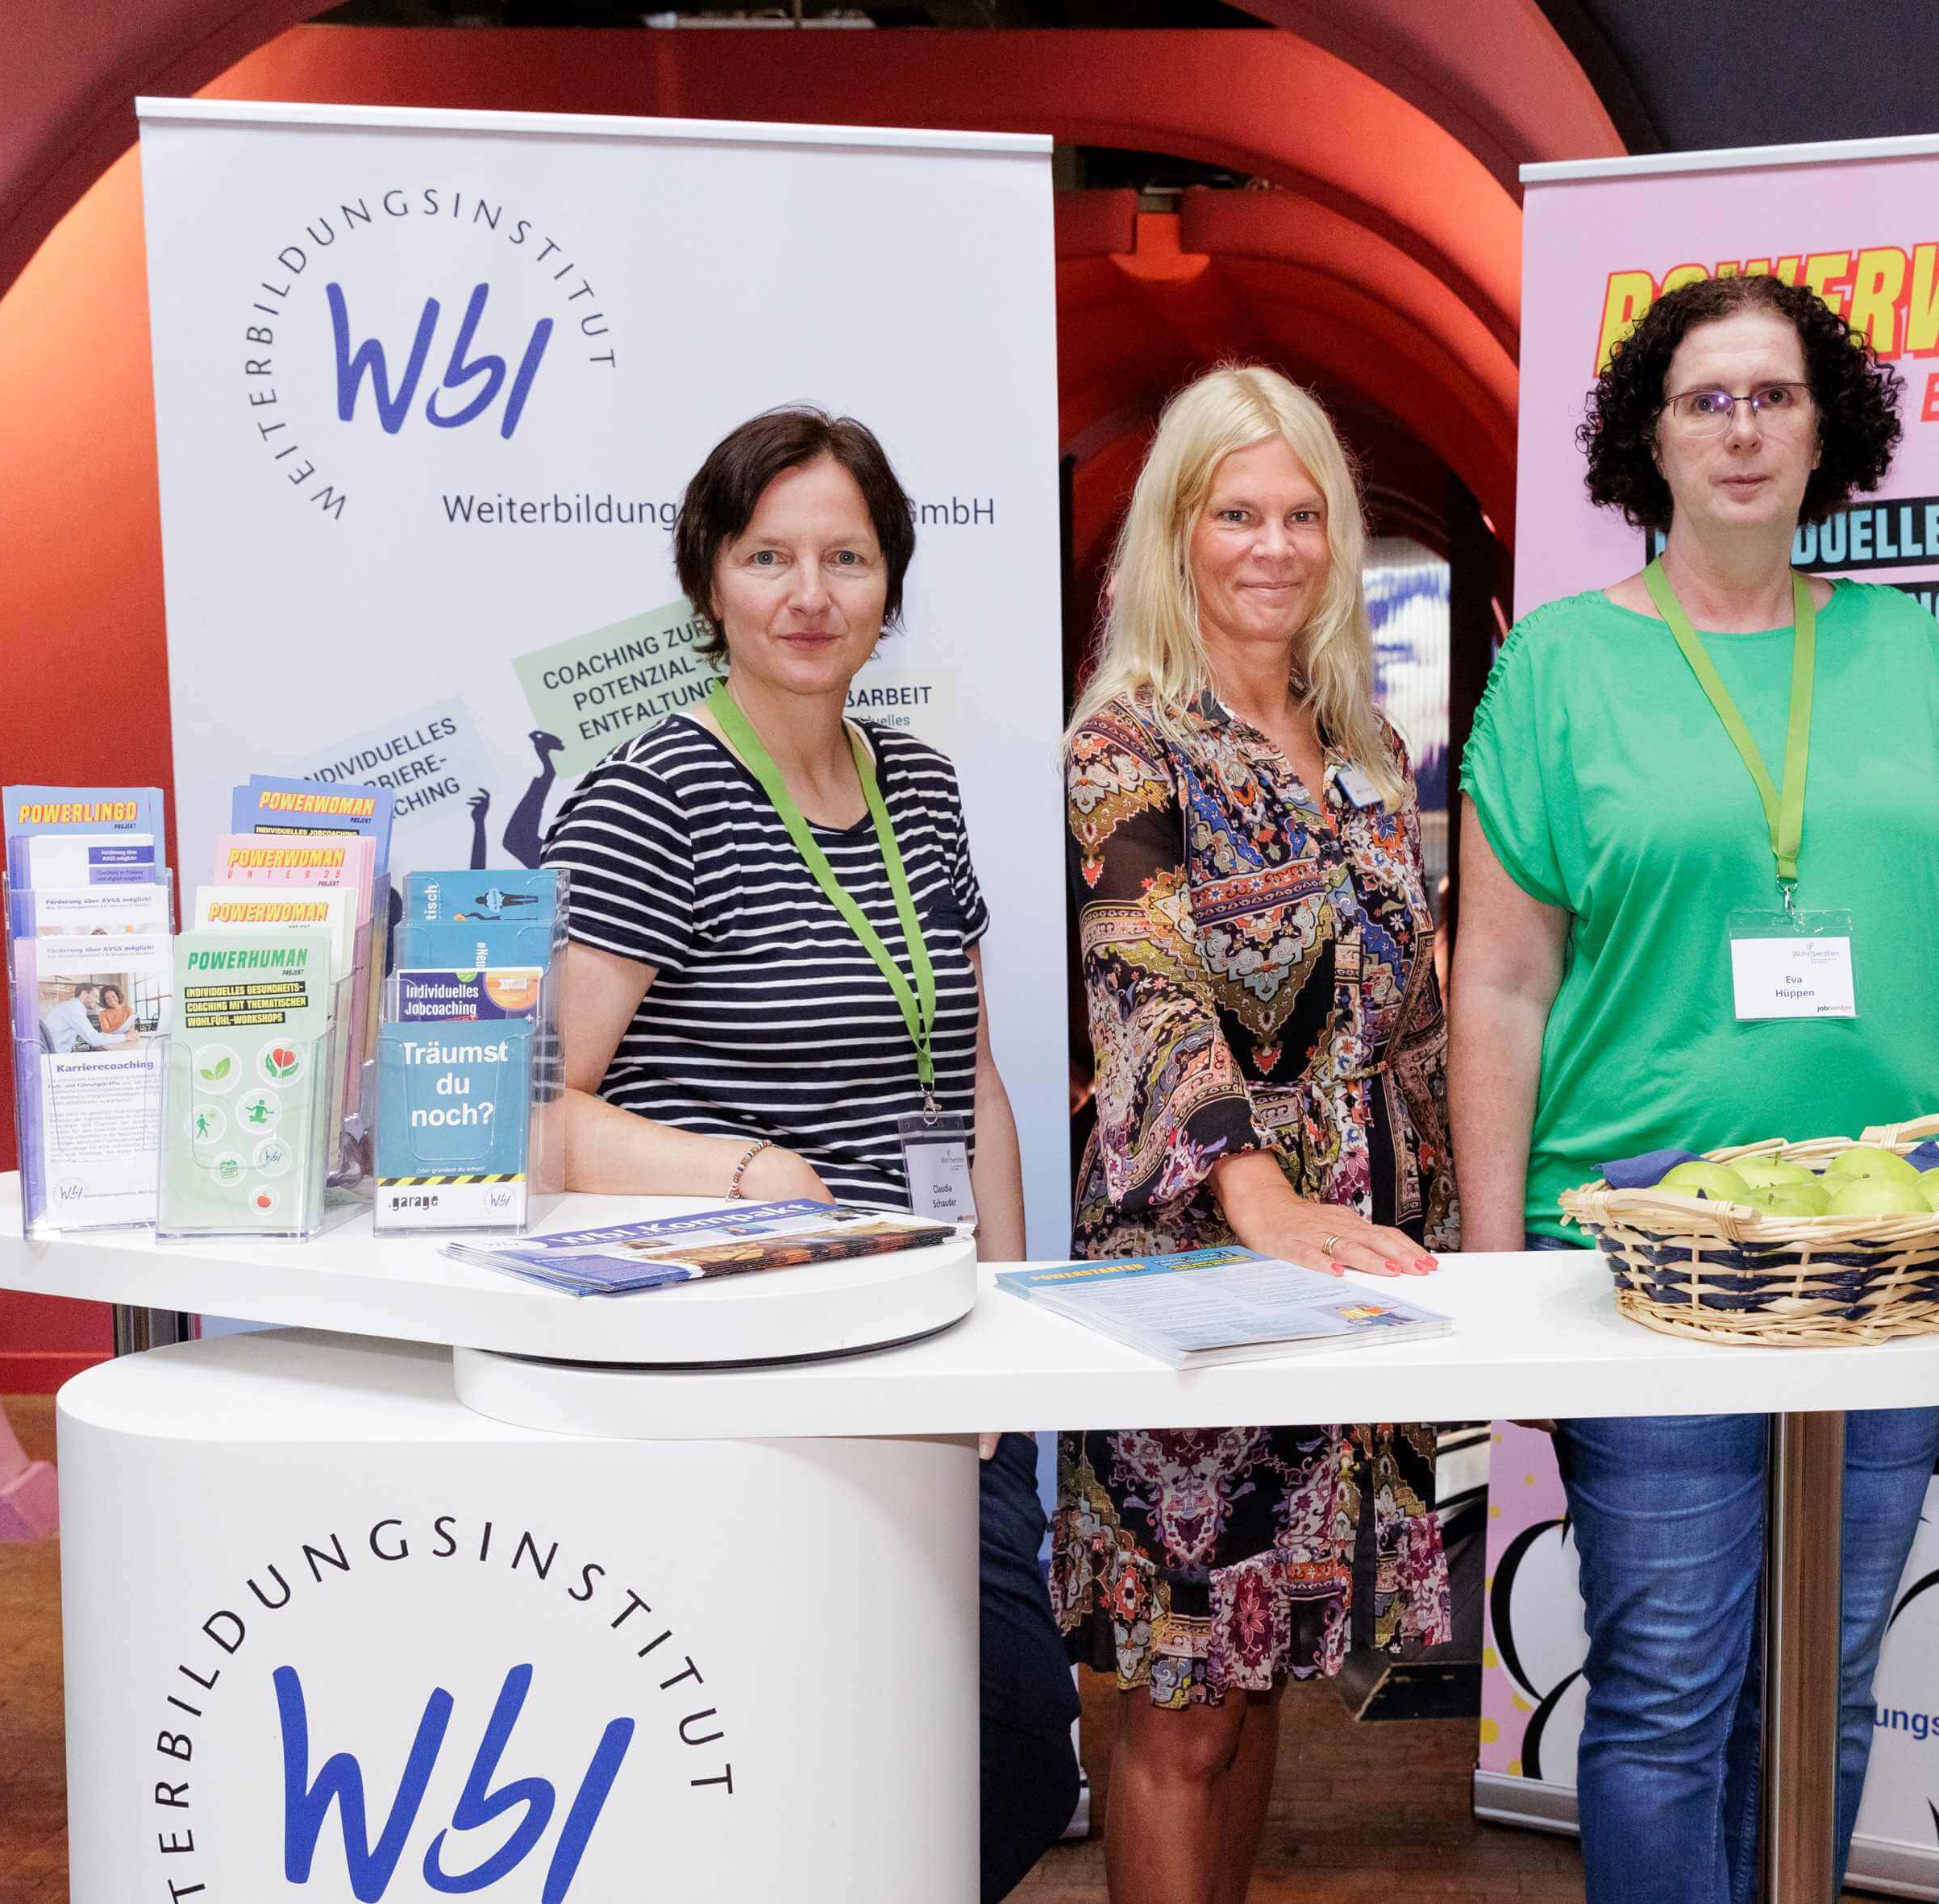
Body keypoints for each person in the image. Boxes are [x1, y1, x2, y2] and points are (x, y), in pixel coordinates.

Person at [1452, 271, 1939, 1902]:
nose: (1744, 429)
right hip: (1653, 1266)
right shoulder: (1559, 666)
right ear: (1649, 438)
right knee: (1667, 1695)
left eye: (1775, 396)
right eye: (1706, 399)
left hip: (1892, 1266)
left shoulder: (1903, 649)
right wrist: (1495, 1274)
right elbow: (1498, 981)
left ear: (1826, 429)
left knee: (1826, 1689)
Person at [539, 405, 1078, 1901]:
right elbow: (533, 1115)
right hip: (742, 1364)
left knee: (1014, 1749)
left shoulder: (920, 784)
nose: (809, 594)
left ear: (889, 585)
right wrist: (747, 1173)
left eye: (846, 557)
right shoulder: (651, 794)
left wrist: (1006, 1329)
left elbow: (971, 1084)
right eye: (768, 556)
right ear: (708, 580)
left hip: (929, 1351)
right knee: (794, 1745)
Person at [1051, 364, 1454, 1903]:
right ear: (1176, 531)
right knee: (1183, 1706)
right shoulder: (1127, 744)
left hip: (1352, 1276)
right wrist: (1256, 1193)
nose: (1273, 546)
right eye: (1236, 513)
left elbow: (1406, 1013)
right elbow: (1144, 982)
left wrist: (1462, 1226)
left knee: (1266, 1661)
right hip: (1194, 1283)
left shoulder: (1361, 744)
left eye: (1302, 514)